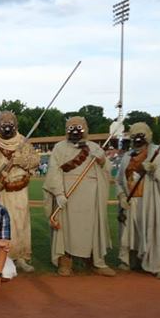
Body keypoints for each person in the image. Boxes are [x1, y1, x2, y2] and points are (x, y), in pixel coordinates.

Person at [43, 116, 115, 277]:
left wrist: (102, 160)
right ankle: (65, 262)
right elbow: (54, 171)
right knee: (65, 229)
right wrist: (59, 193)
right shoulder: (59, 148)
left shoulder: (94, 147)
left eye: (79, 128)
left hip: (91, 197)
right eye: (71, 128)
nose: (75, 131)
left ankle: (96, 262)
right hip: (67, 196)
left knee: (92, 228)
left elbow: (107, 170)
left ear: (85, 129)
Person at [116, 122, 160, 279]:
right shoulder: (127, 157)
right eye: (134, 137)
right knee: (130, 233)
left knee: (155, 231)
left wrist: (155, 169)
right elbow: (119, 181)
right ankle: (130, 260)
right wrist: (122, 195)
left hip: (150, 201)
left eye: (140, 137)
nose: (137, 141)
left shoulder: (158, 153)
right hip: (132, 201)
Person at [0, 110, 40, 272]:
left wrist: (21, 160)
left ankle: (21, 257)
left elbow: (35, 161)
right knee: (1, 224)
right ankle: (3, 256)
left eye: (10, 122)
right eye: (3, 122)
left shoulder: (23, 142)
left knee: (21, 223)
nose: (7, 126)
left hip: (19, 189)